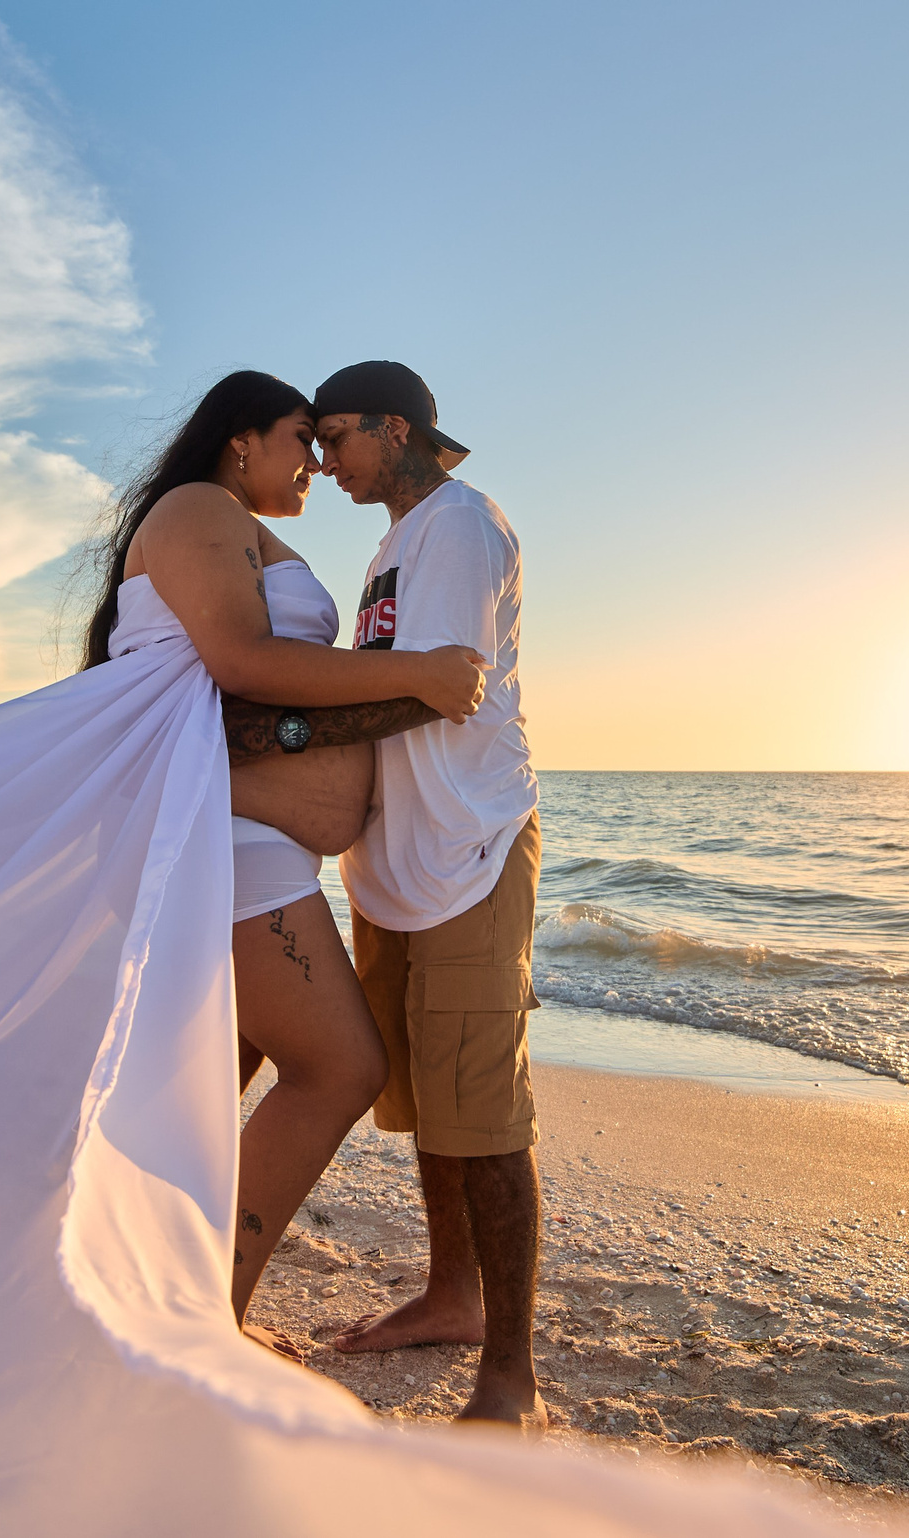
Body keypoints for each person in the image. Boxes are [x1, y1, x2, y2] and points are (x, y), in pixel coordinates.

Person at [80, 370, 486, 1352]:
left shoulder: (224, 520)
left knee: (217, 1068)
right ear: (240, 439)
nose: (314, 460)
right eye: (302, 436)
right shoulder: (197, 508)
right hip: (233, 847)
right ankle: (204, 1318)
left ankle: (137, 1280)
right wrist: (421, 678)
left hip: (246, 846)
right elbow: (243, 661)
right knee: (341, 1067)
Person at [306, 362, 546, 1430]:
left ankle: (512, 1375)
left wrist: (281, 724)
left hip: (466, 851)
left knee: (482, 1116)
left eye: (336, 437)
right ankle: (452, 1295)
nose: (324, 460)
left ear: (393, 428)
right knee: (430, 1101)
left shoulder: (459, 524)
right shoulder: (395, 542)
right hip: (396, 861)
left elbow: (437, 685)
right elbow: (391, 681)